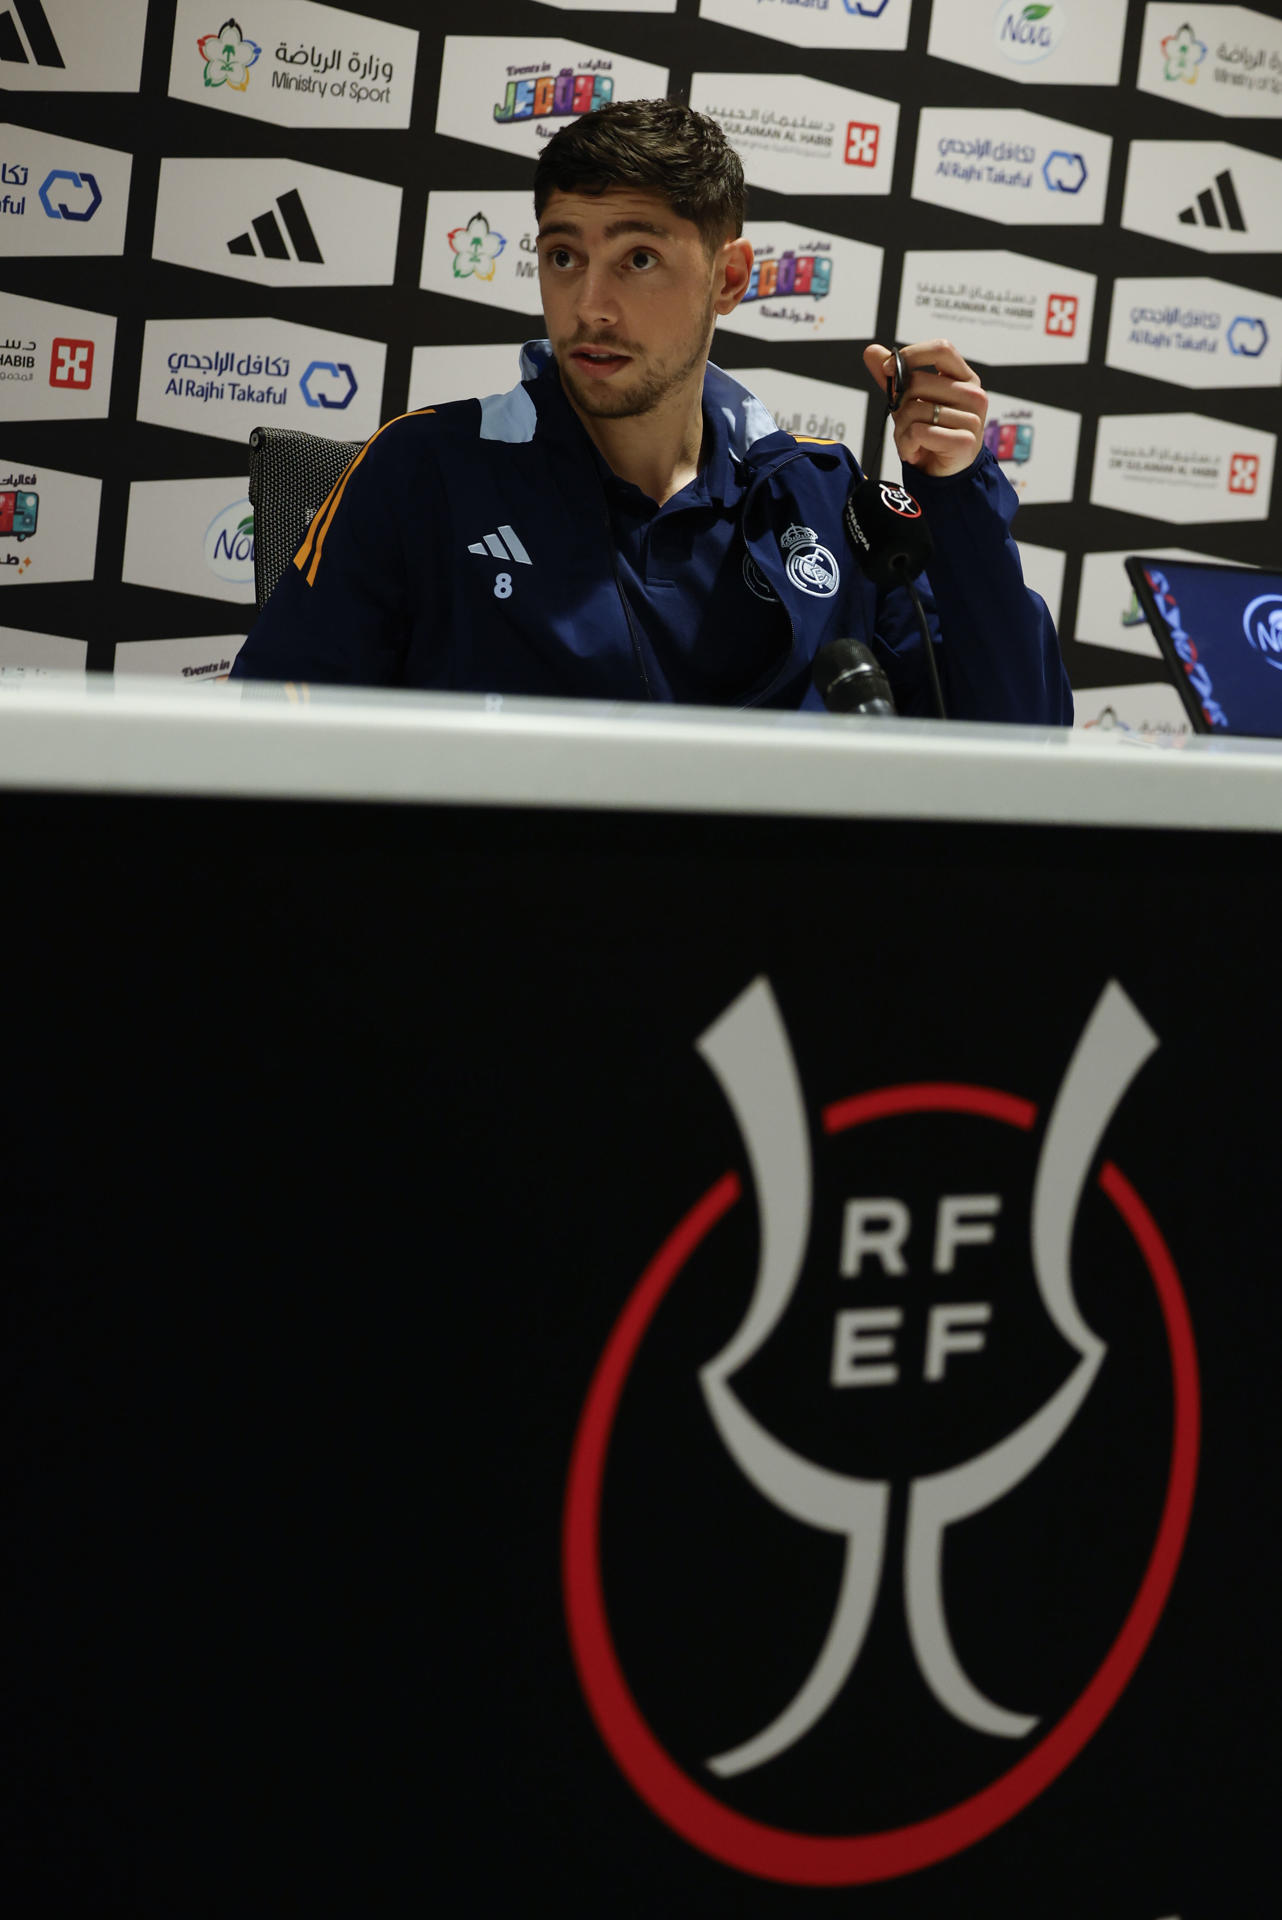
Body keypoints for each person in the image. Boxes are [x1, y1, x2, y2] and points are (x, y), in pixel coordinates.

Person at [231, 100, 1072, 723]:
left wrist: (957, 499)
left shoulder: (820, 498)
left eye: (638, 258)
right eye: (563, 255)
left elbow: (1019, 742)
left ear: (730, 279)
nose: (589, 305)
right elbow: (267, 742)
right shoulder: (424, 470)